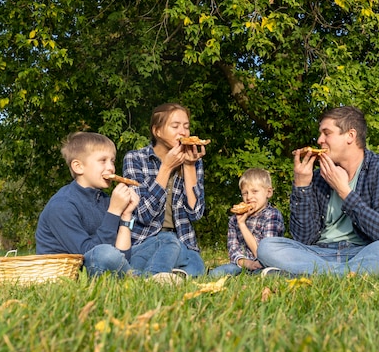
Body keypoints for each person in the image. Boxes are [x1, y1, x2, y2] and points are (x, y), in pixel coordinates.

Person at [257, 106, 379, 276]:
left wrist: (344, 191)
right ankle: (348, 274)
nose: (319, 140)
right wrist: (302, 186)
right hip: (320, 254)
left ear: (350, 136)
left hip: (365, 252)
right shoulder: (317, 177)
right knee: (267, 246)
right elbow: (304, 239)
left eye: (326, 133)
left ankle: (316, 274)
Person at [35, 132, 141, 278]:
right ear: (78, 167)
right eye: (103, 161)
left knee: (164, 241)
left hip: (106, 263)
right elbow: (88, 254)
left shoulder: (104, 200)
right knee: (105, 253)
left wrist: (126, 215)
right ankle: (144, 277)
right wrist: (114, 211)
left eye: (112, 161)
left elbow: (122, 255)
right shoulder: (62, 205)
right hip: (73, 273)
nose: (111, 168)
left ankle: (154, 275)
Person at [122, 103, 207, 277]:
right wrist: (166, 168)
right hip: (145, 242)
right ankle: (156, 277)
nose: (183, 132)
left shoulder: (194, 161)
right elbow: (144, 214)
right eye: (175, 126)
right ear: (157, 131)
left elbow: (196, 213)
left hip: (184, 242)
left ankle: (145, 276)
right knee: (169, 241)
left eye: (186, 126)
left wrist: (189, 166)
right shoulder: (135, 159)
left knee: (197, 266)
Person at [209, 168, 285, 277]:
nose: (249, 197)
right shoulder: (234, 219)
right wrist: (246, 263)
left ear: (268, 192)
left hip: (265, 264)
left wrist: (242, 225)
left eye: (255, 191)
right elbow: (233, 249)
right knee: (217, 273)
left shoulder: (272, 215)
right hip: (242, 265)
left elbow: (265, 254)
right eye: (245, 193)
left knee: (266, 273)